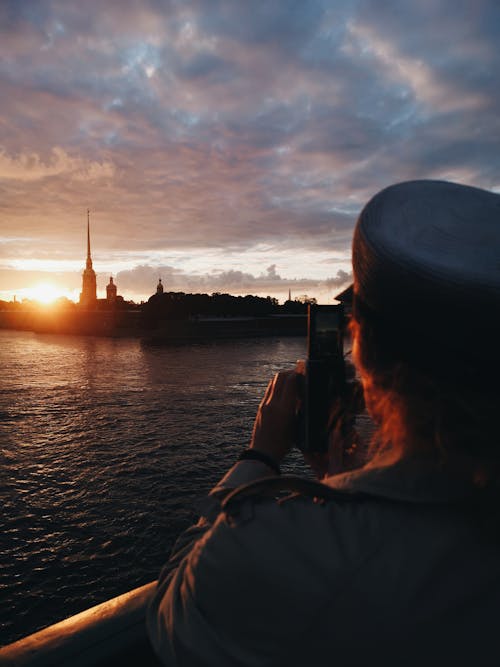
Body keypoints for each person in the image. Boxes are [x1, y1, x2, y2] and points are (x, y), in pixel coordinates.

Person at [147, 180, 500, 666]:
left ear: (367, 352)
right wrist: (344, 485)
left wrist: (259, 456)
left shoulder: (284, 550)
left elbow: (173, 609)